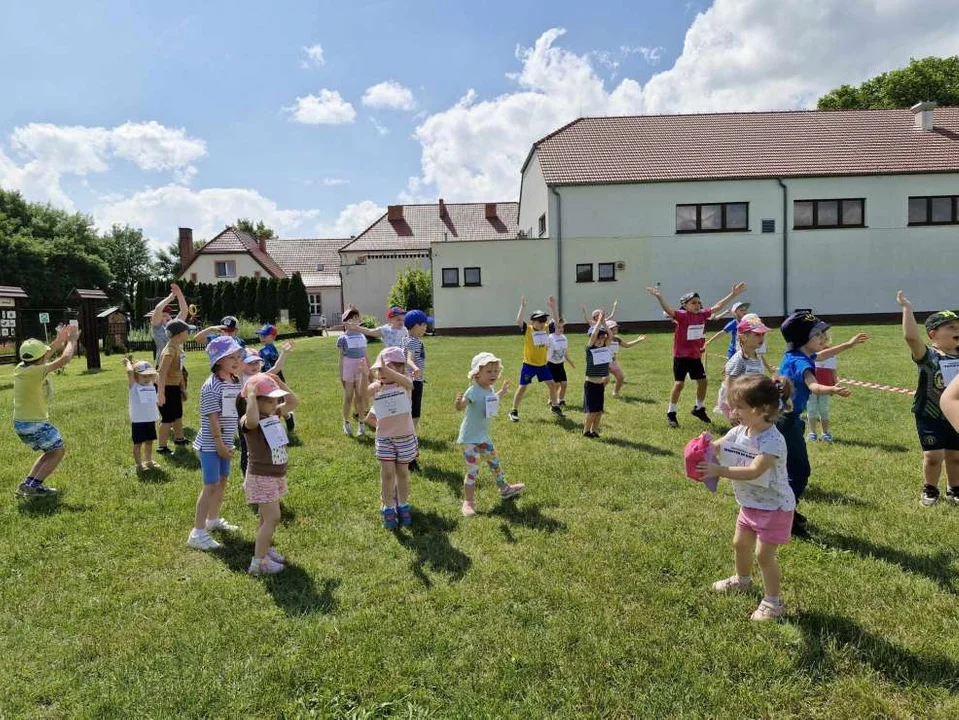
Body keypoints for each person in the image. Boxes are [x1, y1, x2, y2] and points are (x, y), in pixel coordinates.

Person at [697, 375, 795, 621]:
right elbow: (719, 446)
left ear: (760, 410)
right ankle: (742, 581)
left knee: (764, 555)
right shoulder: (741, 430)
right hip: (749, 504)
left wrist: (720, 471)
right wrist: (705, 445)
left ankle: (773, 602)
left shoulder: (772, 440)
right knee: (740, 544)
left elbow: (754, 471)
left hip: (774, 507)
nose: (733, 412)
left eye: (739, 407)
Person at [778, 312, 869, 534]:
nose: (821, 337)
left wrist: (847, 345)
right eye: (816, 334)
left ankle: (786, 509)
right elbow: (813, 386)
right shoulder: (800, 362)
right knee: (800, 471)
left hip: (786, 419)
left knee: (788, 468)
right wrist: (832, 389)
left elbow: (822, 355)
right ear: (801, 339)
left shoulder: (797, 355)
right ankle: (783, 515)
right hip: (787, 422)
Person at [646, 283, 747, 428]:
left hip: (694, 355)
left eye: (699, 302)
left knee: (703, 381)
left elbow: (717, 307)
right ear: (685, 305)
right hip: (681, 356)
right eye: (693, 303)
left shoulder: (702, 315)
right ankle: (671, 412)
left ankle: (699, 408)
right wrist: (659, 297)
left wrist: (733, 295)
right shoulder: (682, 315)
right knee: (679, 384)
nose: (697, 305)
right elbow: (668, 310)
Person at [896, 293, 959, 507]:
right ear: (933, 334)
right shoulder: (929, 356)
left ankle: (955, 488)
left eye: (958, 326)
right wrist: (907, 309)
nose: (957, 330)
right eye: (950, 327)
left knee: (955, 456)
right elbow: (912, 338)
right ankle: (930, 488)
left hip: (955, 414)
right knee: (933, 456)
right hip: (929, 414)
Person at [186, 336, 245, 551]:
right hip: (212, 444)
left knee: (222, 482)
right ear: (218, 360)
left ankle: (213, 520)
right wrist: (219, 444)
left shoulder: (233, 380)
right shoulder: (210, 387)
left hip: (226, 441)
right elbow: (212, 418)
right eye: (232, 357)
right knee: (210, 486)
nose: (237, 360)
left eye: (238, 356)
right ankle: (197, 532)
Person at [238, 373, 298, 575]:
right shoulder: (248, 420)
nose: (275, 404)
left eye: (276, 400)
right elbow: (253, 420)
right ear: (254, 401)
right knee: (273, 517)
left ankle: (265, 548)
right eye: (270, 400)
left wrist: (280, 383)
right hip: (261, 476)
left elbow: (293, 401)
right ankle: (258, 563)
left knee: (265, 518)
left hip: (275, 474)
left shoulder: (273, 415)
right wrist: (252, 395)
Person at [12, 327, 80, 497]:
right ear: (40, 359)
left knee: (50, 452)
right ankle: (34, 487)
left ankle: (28, 484)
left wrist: (58, 340)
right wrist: (71, 341)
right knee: (58, 450)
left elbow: (44, 355)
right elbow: (64, 359)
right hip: (33, 423)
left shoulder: (22, 367)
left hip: (22, 422)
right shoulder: (37, 371)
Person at [456, 352, 523, 517]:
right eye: (489, 371)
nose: (494, 374)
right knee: (473, 470)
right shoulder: (473, 390)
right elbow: (461, 406)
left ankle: (505, 489)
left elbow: (492, 399)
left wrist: (502, 392)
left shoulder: (490, 388)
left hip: (484, 437)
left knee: (495, 463)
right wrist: (458, 403)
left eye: (495, 371)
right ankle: (469, 502)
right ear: (477, 374)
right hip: (470, 439)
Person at [369, 346, 417, 528]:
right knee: (388, 474)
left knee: (402, 474)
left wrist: (388, 370)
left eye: (385, 369)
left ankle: (403, 504)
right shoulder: (377, 387)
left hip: (405, 437)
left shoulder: (404, 384)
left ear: (399, 368)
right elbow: (362, 396)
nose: (380, 373)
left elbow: (410, 384)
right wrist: (361, 377)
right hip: (385, 438)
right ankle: (388, 507)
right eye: (379, 370)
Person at [156, 320, 220, 456]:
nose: (189, 333)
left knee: (177, 414)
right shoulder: (169, 351)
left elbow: (179, 371)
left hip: (174, 387)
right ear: (179, 334)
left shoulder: (178, 348)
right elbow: (161, 373)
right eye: (187, 331)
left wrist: (183, 388)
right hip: (166, 387)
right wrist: (160, 394)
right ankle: (162, 447)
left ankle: (179, 438)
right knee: (168, 418)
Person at [509, 295, 564, 422]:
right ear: (532, 322)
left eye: (544, 321)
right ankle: (514, 410)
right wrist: (522, 307)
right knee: (523, 386)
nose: (542, 323)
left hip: (543, 365)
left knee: (552, 385)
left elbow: (556, 322)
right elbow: (518, 321)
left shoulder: (546, 328)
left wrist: (553, 308)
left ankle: (555, 406)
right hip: (529, 365)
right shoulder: (527, 330)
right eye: (539, 321)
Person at [717, 315, 770, 422]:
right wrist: (733, 409)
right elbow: (729, 385)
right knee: (746, 427)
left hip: (747, 397)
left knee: (753, 426)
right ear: (743, 337)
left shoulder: (757, 358)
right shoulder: (739, 359)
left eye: (763, 334)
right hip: (732, 400)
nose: (761, 338)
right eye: (757, 334)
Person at [403, 309, 432, 474]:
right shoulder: (413, 341)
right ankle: (411, 457)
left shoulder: (406, 338)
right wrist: (415, 368)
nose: (426, 328)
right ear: (415, 326)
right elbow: (409, 358)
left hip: (408, 382)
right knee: (414, 419)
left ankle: (408, 452)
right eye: (424, 325)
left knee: (410, 417)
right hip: (415, 382)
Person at [123, 357, 160, 472]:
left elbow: (157, 375)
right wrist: (128, 363)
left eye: (149, 375)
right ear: (135, 376)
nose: (147, 378)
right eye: (144, 376)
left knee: (149, 441)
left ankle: (148, 460)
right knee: (138, 443)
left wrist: (152, 373)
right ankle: (139, 464)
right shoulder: (134, 386)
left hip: (150, 419)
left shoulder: (151, 384)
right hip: (138, 421)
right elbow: (129, 372)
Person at [256, 324, 295, 432]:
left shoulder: (267, 351)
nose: (262, 338)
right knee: (276, 404)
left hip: (275, 382)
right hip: (270, 381)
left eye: (265, 335)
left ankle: (275, 430)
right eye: (260, 335)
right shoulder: (263, 350)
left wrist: (262, 377)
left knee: (274, 405)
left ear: (273, 337)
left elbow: (276, 368)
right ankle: (287, 417)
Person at [338, 307, 370, 437]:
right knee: (348, 397)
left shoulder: (362, 336)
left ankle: (361, 423)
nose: (355, 321)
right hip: (348, 368)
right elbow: (340, 358)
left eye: (357, 318)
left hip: (361, 368)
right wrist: (341, 374)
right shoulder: (343, 338)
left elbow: (365, 354)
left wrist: (369, 369)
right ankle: (346, 423)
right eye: (351, 319)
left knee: (360, 396)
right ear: (345, 323)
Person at [583, 311, 612, 438]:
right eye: (598, 338)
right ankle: (586, 431)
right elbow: (594, 334)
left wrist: (604, 323)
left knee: (599, 411)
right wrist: (599, 321)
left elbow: (610, 335)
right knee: (591, 411)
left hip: (600, 385)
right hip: (590, 384)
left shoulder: (604, 348)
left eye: (602, 338)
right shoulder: (590, 350)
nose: (600, 340)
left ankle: (594, 430)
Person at [806, 331, 838, 443]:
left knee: (824, 410)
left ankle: (825, 433)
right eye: (818, 337)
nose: (821, 340)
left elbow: (833, 369)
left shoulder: (830, 352)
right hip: (811, 386)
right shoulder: (809, 352)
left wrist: (835, 384)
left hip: (825, 387)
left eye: (824, 337)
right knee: (811, 410)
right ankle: (812, 433)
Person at [604, 320, 646, 398]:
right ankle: (597, 392)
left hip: (613, 361)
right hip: (604, 362)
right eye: (614, 327)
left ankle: (615, 393)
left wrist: (638, 340)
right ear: (608, 329)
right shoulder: (603, 338)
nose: (616, 328)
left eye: (616, 327)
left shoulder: (617, 338)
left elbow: (626, 345)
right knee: (606, 379)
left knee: (620, 378)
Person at [150, 283, 188, 363]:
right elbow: (158, 309)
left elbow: (184, 311)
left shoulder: (175, 325)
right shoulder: (157, 328)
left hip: (178, 365)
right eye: (163, 314)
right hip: (163, 364)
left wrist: (179, 294)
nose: (167, 315)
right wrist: (170, 298)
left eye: (168, 313)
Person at [546, 317, 575, 406]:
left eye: (562, 327)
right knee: (555, 385)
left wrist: (571, 362)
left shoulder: (564, 338)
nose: (561, 329)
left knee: (564, 384)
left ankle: (561, 400)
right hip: (551, 364)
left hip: (560, 364)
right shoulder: (550, 337)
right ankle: (551, 400)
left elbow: (565, 353)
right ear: (553, 328)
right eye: (559, 327)